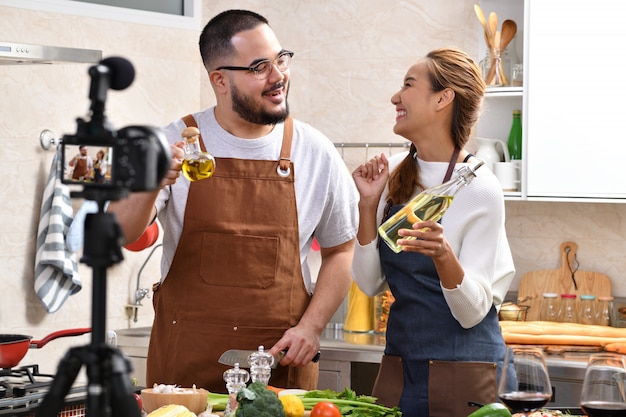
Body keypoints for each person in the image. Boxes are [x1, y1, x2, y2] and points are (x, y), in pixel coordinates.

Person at [108, 9, 359, 393]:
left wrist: (311, 326)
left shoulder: (314, 150)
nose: (278, 77)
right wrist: (150, 183)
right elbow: (122, 233)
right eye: (259, 67)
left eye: (281, 59)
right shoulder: (172, 142)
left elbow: (341, 250)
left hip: (278, 370)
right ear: (220, 80)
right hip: (184, 374)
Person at [351, 47, 515, 416]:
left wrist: (443, 256)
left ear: (443, 98)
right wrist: (366, 206)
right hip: (400, 365)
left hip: (467, 371)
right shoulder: (390, 173)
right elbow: (368, 283)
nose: (396, 96)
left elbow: (472, 313)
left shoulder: (479, 188)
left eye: (408, 85)